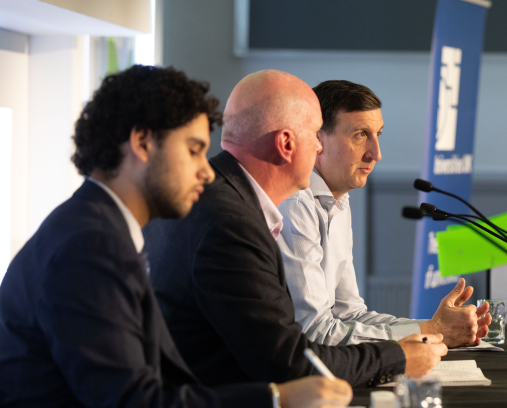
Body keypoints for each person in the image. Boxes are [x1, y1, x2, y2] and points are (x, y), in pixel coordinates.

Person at [0, 65, 352, 408]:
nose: (206, 170)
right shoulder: (90, 245)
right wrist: (276, 400)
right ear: (143, 142)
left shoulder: (98, 229)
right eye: (193, 149)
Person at [143, 70, 447, 390]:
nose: (319, 148)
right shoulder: (231, 226)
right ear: (286, 144)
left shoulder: (223, 199)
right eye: (316, 134)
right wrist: (396, 357)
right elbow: (287, 361)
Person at [276, 80, 491, 346]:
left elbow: (350, 314)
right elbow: (315, 331)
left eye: (378, 134)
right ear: (317, 139)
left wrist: (432, 328)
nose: (376, 154)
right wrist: (433, 331)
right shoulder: (295, 204)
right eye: (360, 135)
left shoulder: (339, 201)